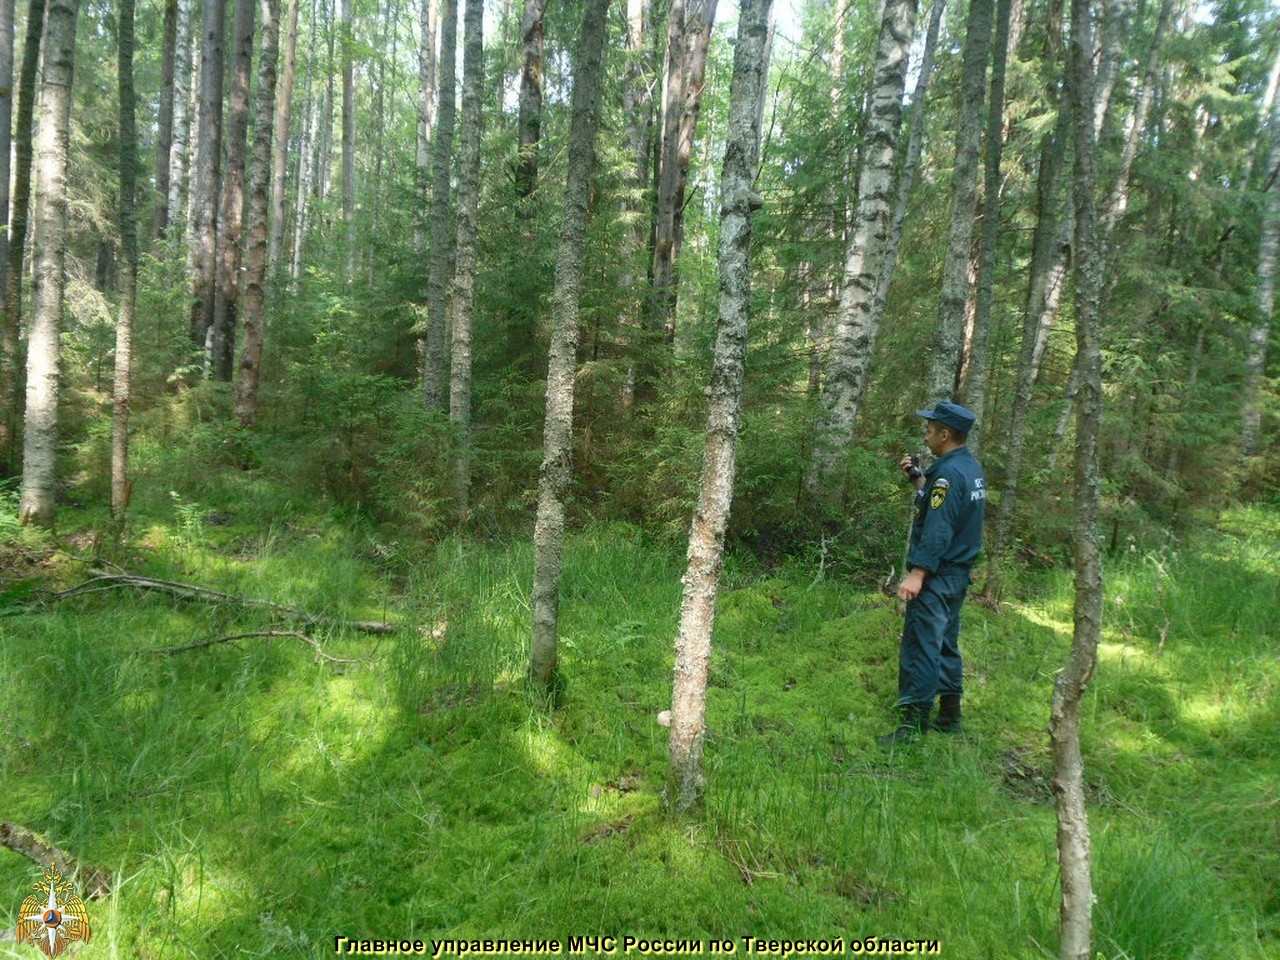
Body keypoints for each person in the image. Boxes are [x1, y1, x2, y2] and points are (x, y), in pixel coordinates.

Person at [878, 401, 986, 746]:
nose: (926, 434)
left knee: (921, 645)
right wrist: (917, 478)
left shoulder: (950, 474)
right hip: (957, 574)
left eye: (930, 428)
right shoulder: (968, 468)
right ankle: (950, 715)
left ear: (946, 433)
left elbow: (939, 528)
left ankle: (912, 726)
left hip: (938, 575)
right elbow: (944, 506)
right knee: (945, 642)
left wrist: (917, 575)